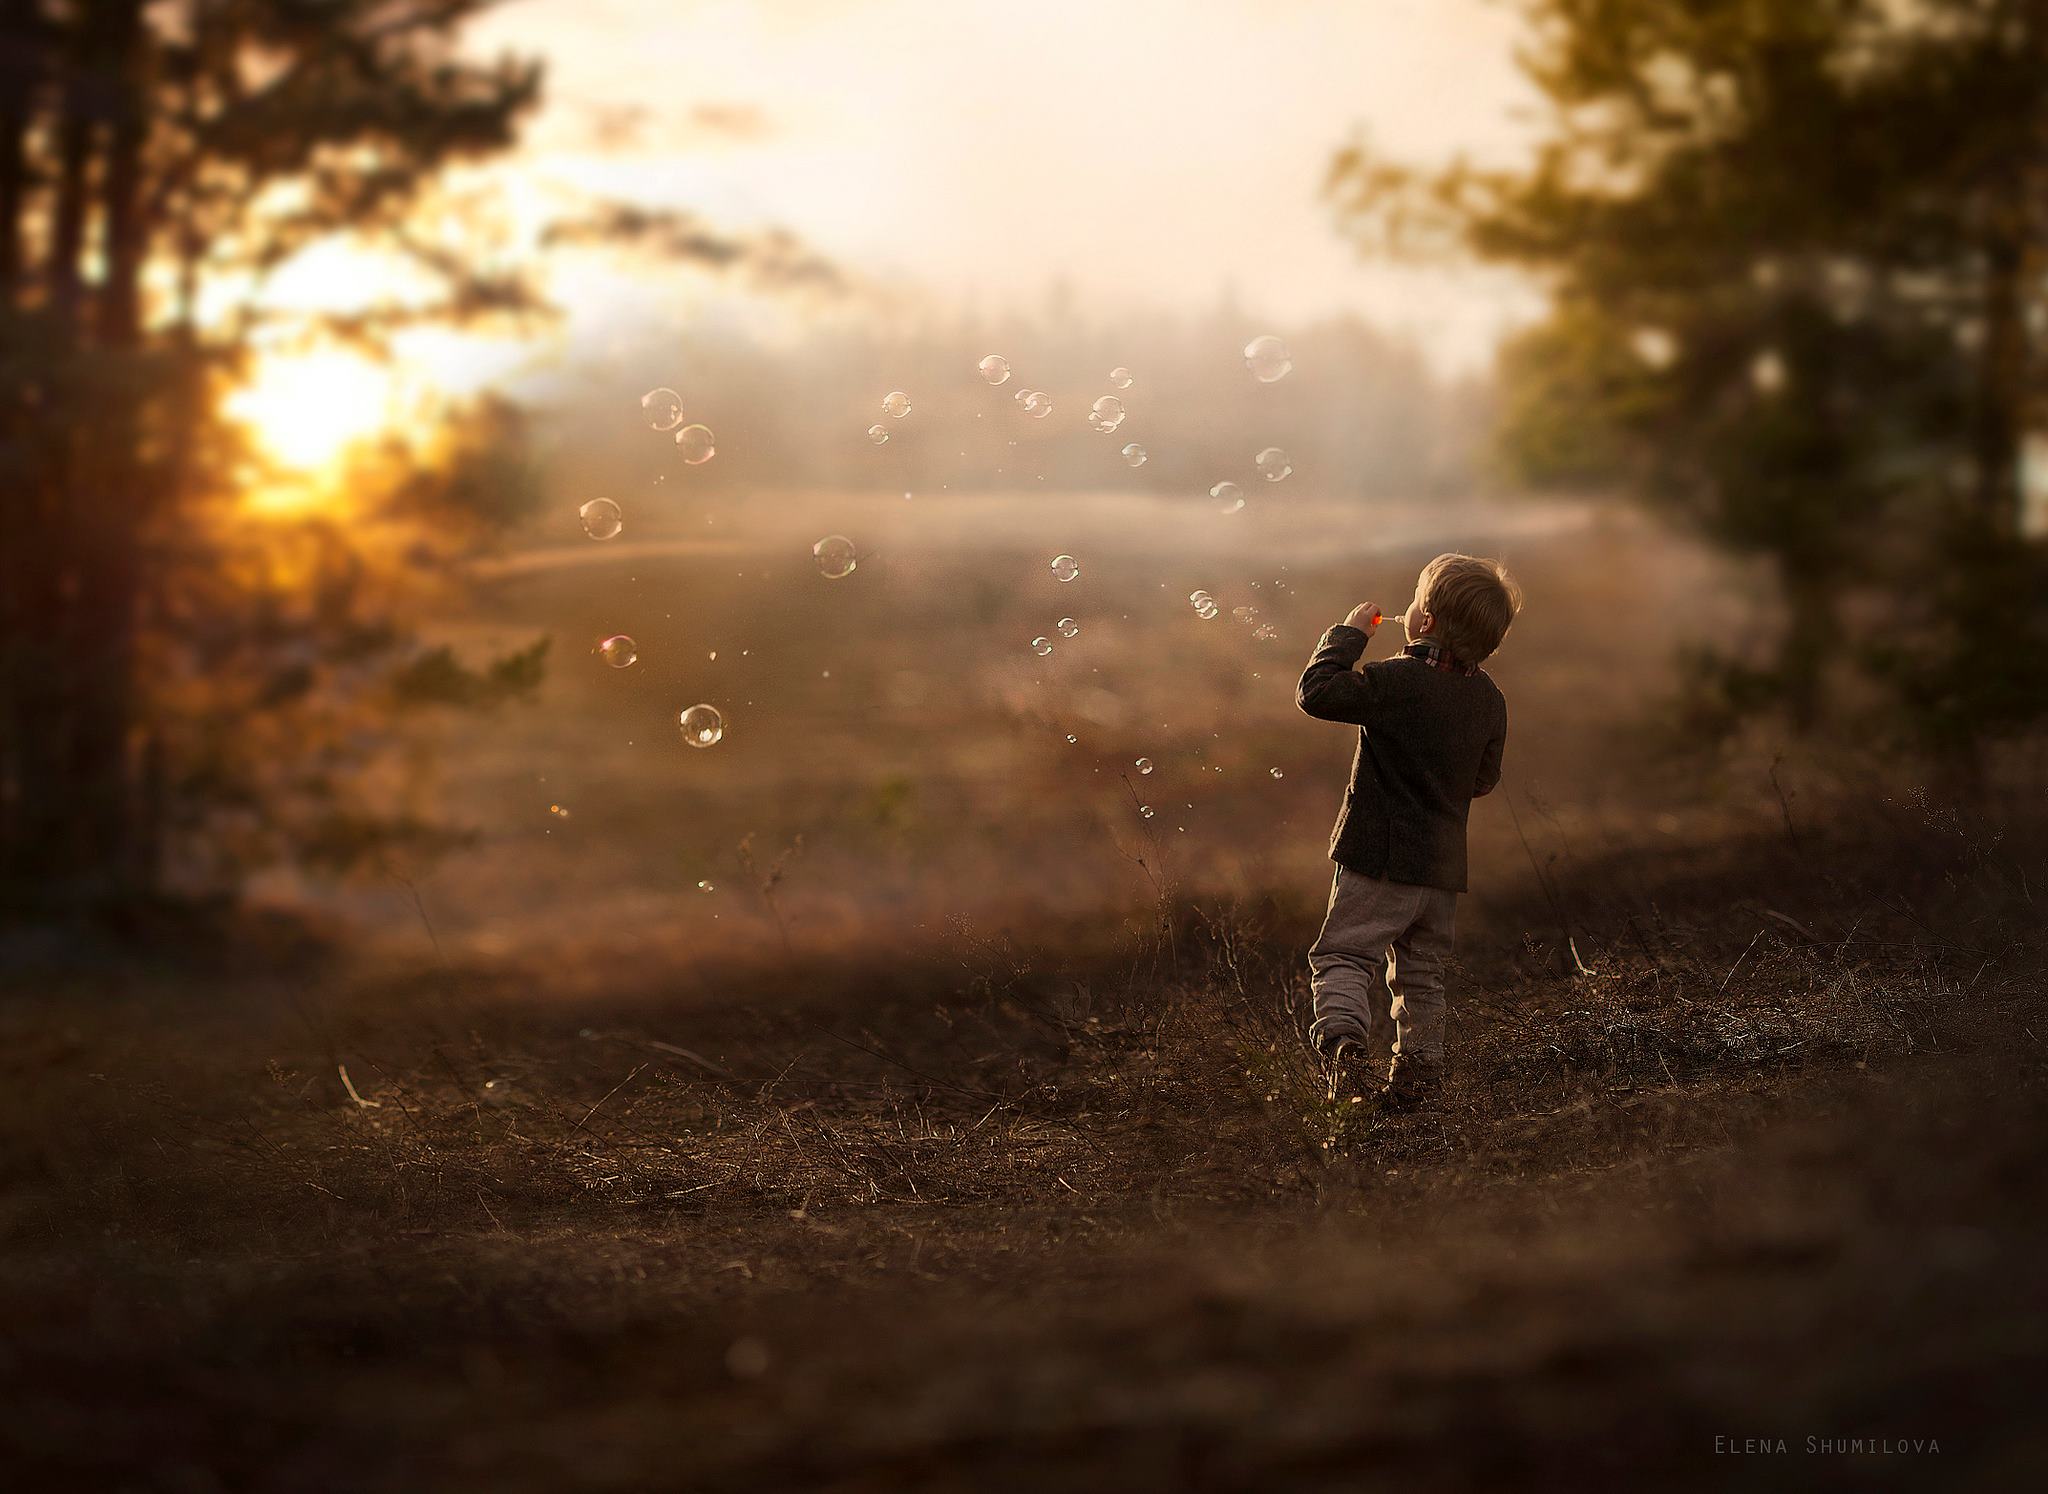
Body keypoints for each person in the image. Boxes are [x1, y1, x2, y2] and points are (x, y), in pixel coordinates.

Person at [1296, 552, 1521, 1109]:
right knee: (1422, 976)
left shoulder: (1395, 681)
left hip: (1379, 859)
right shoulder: (1490, 699)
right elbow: (1484, 780)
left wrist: (1348, 635)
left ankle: (1345, 1047)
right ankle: (1419, 1084)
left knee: (1345, 957)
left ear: (1425, 622)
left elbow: (1317, 693)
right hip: (1441, 869)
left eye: (1418, 598)